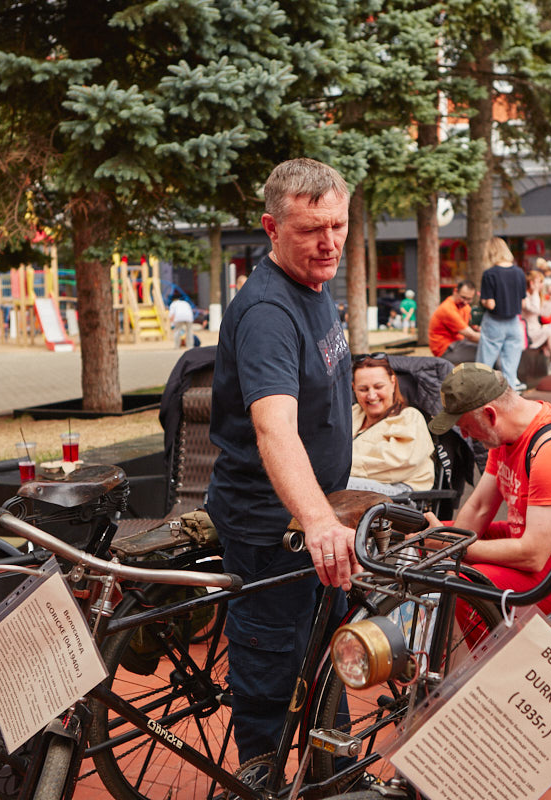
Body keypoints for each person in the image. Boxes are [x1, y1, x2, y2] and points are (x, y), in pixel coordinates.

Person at [206, 157, 354, 763]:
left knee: (328, 658)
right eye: (310, 230)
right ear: (271, 228)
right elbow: (273, 431)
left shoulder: (315, 287)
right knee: (270, 677)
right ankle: (259, 778)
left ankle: (332, 772)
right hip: (276, 530)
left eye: (339, 226)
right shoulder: (268, 312)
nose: (329, 243)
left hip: (316, 519)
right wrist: (317, 518)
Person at [428, 362, 551, 614]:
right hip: (533, 541)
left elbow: (533, 555)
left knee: (462, 587)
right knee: (426, 537)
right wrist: (448, 547)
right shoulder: (505, 433)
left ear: (491, 415)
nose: (466, 435)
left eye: (465, 426)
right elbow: (480, 506)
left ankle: (485, 649)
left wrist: (456, 550)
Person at [347, 354, 435, 496]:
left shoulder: (409, 418)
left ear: (393, 382)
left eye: (378, 387)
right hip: (357, 488)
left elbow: (398, 463)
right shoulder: (352, 414)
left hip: (400, 493)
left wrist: (338, 468)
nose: (371, 395)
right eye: (363, 389)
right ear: (354, 388)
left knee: (327, 484)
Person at [476, 237, 527, 391]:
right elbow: (523, 303)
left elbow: (490, 303)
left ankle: (480, 396)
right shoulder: (519, 273)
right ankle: (510, 401)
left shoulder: (489, 274)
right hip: (514, 323)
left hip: (494, 322)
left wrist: (483, 301)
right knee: (510, 369)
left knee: (484, 367)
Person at [427, 280, 480, 364]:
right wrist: (495, 341)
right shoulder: (447, 309)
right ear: (455, 291)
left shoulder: (464, 307)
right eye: (463, 297)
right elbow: (471, 335)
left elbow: (475, 326)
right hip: (446, 350)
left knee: (488, 349)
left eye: (469, 299)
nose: (465, 302)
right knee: (487, 352)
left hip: (458, 344)